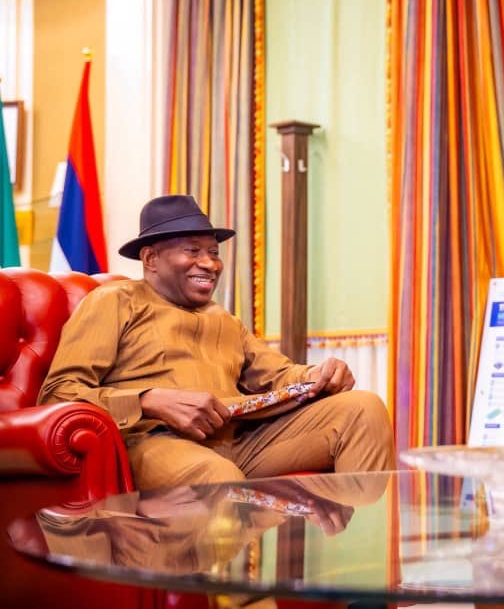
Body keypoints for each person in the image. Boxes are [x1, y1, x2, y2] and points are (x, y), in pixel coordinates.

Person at [38, 194, 396, 490]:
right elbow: (58, 393)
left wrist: (320, 373)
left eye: (214, 252)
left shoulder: (224, 320)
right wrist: (148, 401)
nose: (209, 264)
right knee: (217, 476)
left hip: (238, 440)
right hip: (155, 442)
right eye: (193, 251)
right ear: (150, 259)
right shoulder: (114, 301)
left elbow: (280, 375)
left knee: (362, 410)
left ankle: (363, 547)